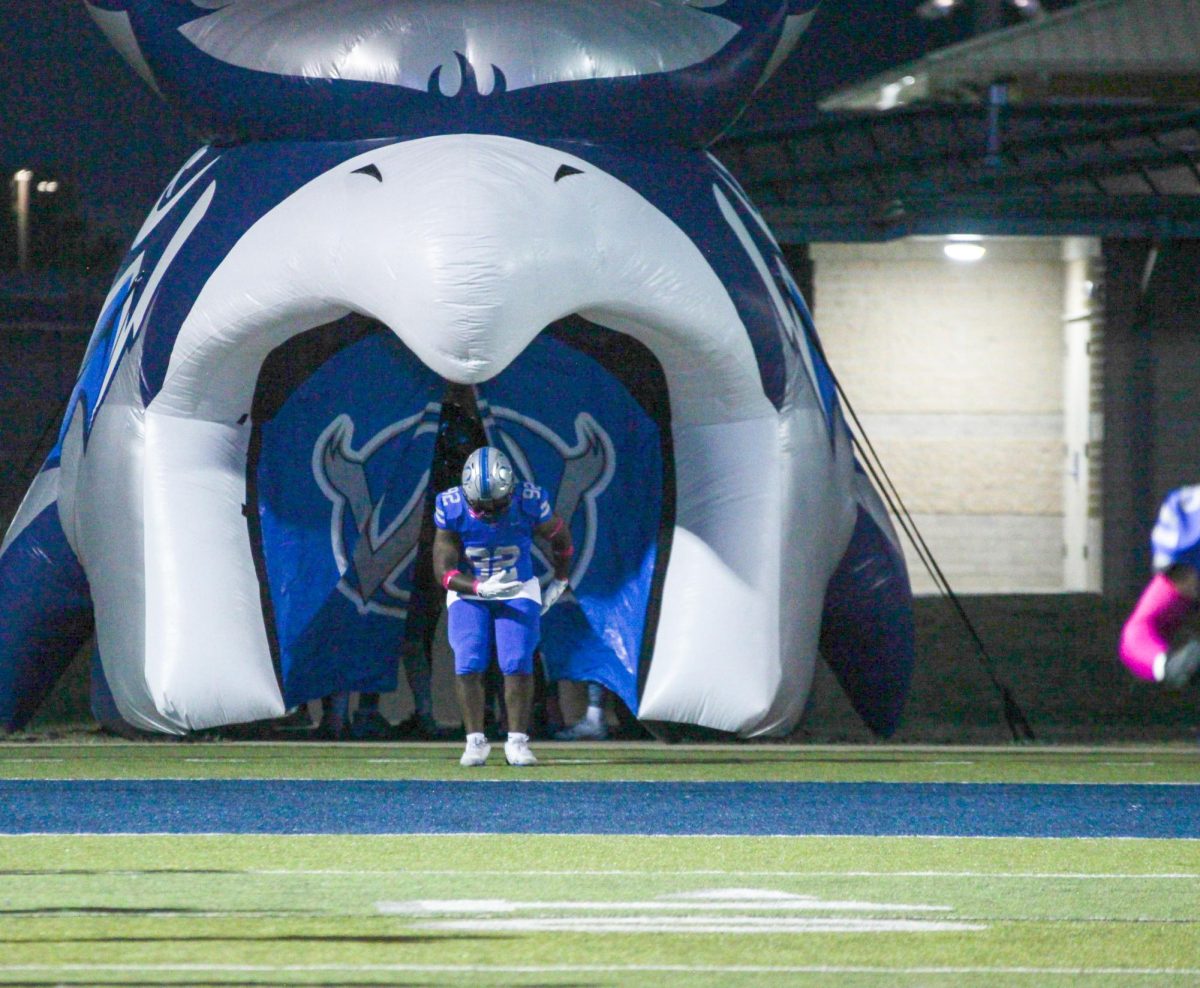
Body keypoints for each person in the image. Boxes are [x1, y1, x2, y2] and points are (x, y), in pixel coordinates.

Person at [433, 445, 573, 767]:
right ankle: (475, 741)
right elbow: (443, 571)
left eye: (497, 503)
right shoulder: (450, 506)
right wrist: (479, 587)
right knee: (468, 661)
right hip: (470, 589)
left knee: (517, 659)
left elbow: (560, 537)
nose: (490, 512)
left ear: (510, 489)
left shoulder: (529, 501)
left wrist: (560, 580)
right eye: (482, 505)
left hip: (517, 587)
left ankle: (518, 740)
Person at [1119, 485, 1200, 688]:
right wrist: (1164, 665)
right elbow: (1137, 632)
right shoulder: (1176, 583)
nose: (1183, 585)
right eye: (1175, 572)